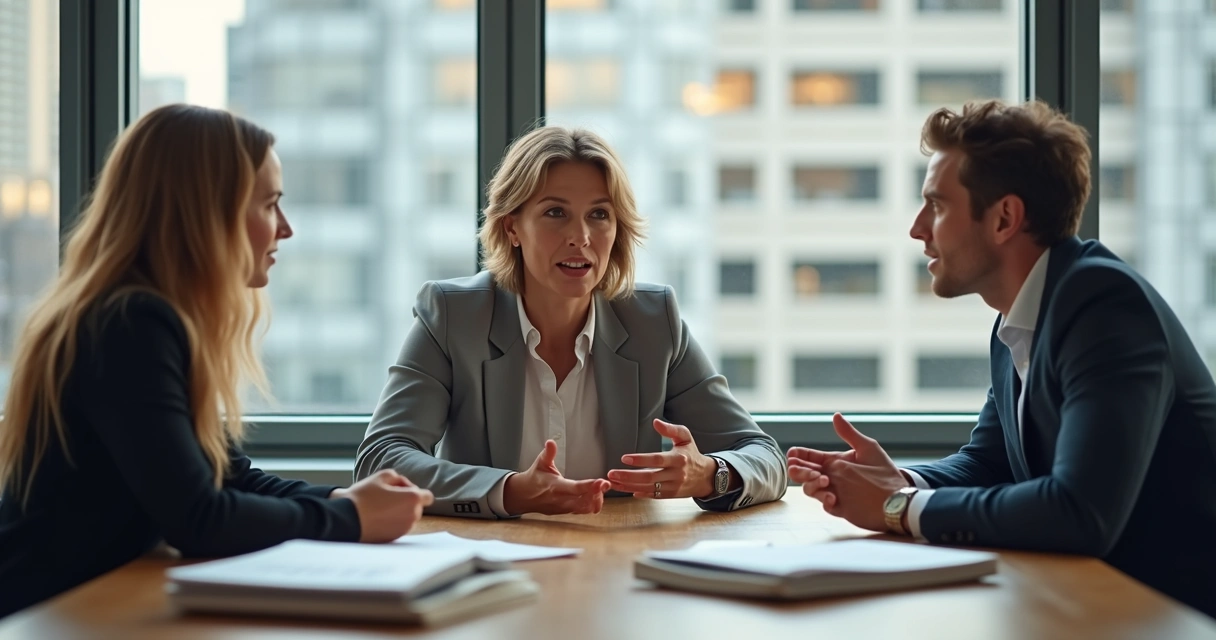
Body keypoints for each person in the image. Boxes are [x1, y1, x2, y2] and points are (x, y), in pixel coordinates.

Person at [787, 99, 1216, 618]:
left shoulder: (1102, 304)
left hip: (1173, 617)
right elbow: (990, 463)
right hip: (1092, 607)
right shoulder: (1019, 319)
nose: (918, 228)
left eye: (938, 205)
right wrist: (902, 482)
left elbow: (1079, 512)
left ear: (1005, 218)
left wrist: (898, 508)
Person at [0, 104, 433, 618]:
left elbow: (230, 478)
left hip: (88, 603)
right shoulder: (127, 325)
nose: (286, 229)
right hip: (40, 613)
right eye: (269, 204)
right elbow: (198, 518)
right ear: (205, 212)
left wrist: (346, 497)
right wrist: (351, 518)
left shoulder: (152, 319)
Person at [356, 126, 786, 518]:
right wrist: (508, 491)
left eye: (599, 214)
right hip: (491, 565)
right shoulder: (453, 316)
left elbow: (764, 456)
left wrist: (710, 474)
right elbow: (381, 458)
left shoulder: (654, 321)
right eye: (555, 213)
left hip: (617, 568)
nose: (580, 236)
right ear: (512, 228)